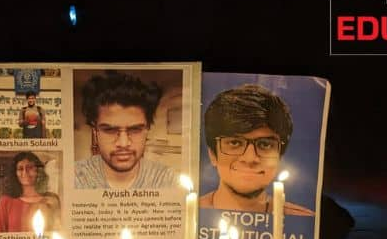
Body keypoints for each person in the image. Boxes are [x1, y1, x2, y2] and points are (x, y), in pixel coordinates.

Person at [199, 84, 314, 216]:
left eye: (264, 144)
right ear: (212, 154)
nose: (250, 159)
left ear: (280, 156)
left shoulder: (302, 222)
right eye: (235, 143)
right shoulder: (186, 216)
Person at [74, 71, 177, 189]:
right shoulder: (75, 177)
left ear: (147, 128)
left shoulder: (165, 179)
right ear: (95, 131)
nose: (123, 143)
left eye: (135, 130)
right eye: (110, 130)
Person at [0, 152, 61, 233]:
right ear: (15, 173)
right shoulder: (6, 201)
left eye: (29, 167)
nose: (25, 172)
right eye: (20, 169)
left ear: (38, 171)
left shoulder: (52, 200)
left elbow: (59, 231)